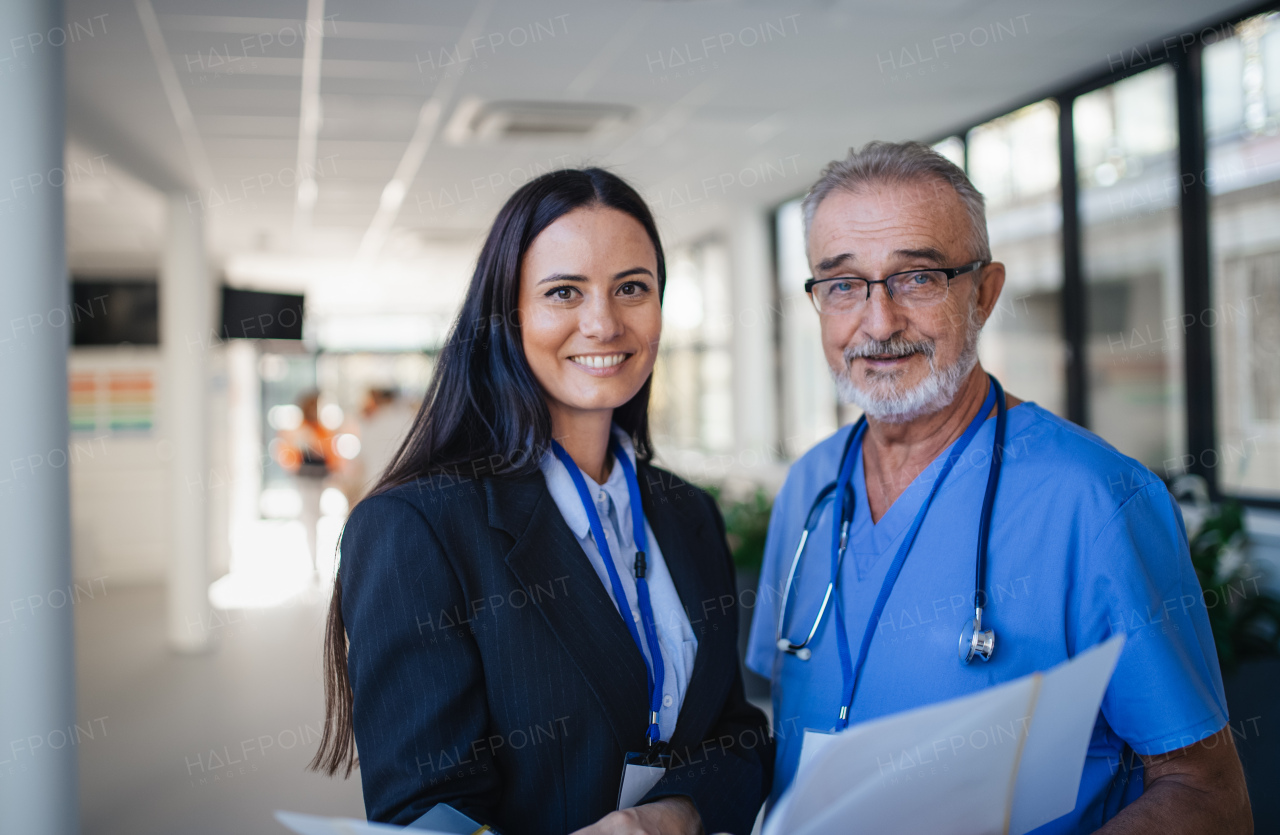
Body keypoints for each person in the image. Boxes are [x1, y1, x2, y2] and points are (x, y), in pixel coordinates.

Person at [745, 142, 1252, 833]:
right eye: (843, 284)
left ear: (983, 291)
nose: (879, 321)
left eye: (917, 277)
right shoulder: (809, 485)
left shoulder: (1096, 500)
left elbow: (1208, 794)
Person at [311, 168, 772, 835]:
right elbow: (425, 810)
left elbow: (736, 732)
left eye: (632, 288)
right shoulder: (416, 527)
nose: (604, 322)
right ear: (508, 316)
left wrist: (668, 815)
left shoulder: (687, 514)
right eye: (564, 291)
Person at [275, 390, 338, 573]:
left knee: (315, 515)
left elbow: (330, 452)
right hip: (304, 477)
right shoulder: (298, 429)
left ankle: (316, 558)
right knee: (309, 516)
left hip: (319, 477)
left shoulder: (322, 428)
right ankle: (313, 561)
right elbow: (287, 453)